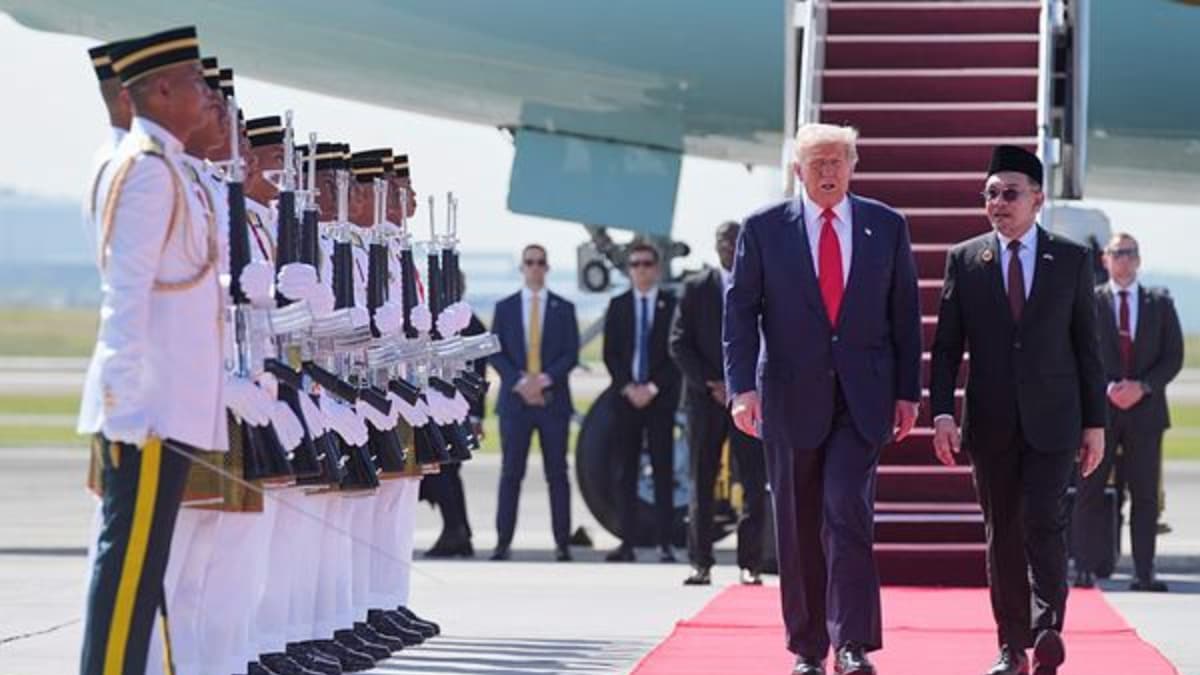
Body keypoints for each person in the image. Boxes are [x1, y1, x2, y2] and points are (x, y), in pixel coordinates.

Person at [724, 123, 921, 675]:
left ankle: (853, 642)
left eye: (837, 161)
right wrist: (741, 389)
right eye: (817, 163)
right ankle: (808, 648)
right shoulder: (764, 229)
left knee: (846, 512)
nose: (828, 172)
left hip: (862, 398)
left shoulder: (886, 225)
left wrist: (909, 392)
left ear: (853, 165)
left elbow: (904, 314)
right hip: (789, 396)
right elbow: (740, 312)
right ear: (797, 171)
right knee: (797, 520)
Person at [76, 26, 228, 675]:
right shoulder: (146, 172)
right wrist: (125, 404)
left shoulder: (174, 169)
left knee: (146, 574)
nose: (204, 94)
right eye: (194, 82)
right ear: (161, 90)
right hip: (148, 413)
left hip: (172, 409)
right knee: (127, 573)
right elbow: (125, 294)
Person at [929, 145, 1106, 675]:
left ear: (1037, 199)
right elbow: (946, 348)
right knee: (1001, 530)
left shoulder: (1071, 260)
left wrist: (1095, 424)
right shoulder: (966, 258)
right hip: (989, 422)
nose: (999, 204)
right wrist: (941, 413)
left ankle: (1047, 626)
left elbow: (1087, 349)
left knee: (1044, 521)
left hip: (1055, 419)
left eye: (1010, 194)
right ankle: (1011, 645)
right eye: (990, 194)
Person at [1073, 233, 1182, 592]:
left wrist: (1143, 387)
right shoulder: (1089, 301)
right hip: (1099, 412)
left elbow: (1173, 356)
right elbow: (1077, 351)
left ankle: (1144, 572)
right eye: (1117, 253)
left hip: (1145, 412)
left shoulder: (1159, 303)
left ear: (1138, 259)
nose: (1123, 259)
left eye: (1130, 253)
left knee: (1145, 495)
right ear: (1104, 259)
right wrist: (1106, 388)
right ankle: (1085, 569)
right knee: (1089, 489)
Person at [671, 221, 767, 585]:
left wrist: (743, 386)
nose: (728, 246)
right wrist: (710, 383)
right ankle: (700, 561)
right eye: (722, 240)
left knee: (754, 483)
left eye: (734, 240)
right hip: (705, 400)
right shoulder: (696, 288)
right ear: (714, 247)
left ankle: (750, 563)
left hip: (748, 398)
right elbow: (678, 342)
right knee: (701, 481)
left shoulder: (760, 283)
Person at [489, 244, 580, 562]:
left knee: (557, 474)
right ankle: (502, 541)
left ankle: (562, 543)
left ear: (548, 267)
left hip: (552, 402)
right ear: (522, 268)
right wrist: (520, 381)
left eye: (541, 262)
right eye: (529, 262)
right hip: (515, 404)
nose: (535, 267)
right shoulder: (505, 308)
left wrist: (542, 381)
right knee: (511, 474)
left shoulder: (563, 308)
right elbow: (495, 351)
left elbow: (571, 353)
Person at [603, 241, 682, 563]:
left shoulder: (671, 304)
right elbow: (611, 354)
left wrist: (651, 387)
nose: (641, 269)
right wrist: (628, 387)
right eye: (635, 264)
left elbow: (676, 351)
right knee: (627, 472)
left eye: (647, 263)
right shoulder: (619, 305)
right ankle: (628, 543)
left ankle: (665, 542)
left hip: (659, 399)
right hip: (626, 400)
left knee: (663, 471)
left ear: (657, 268)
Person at [423, 270, 488, 558]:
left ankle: (456, 531)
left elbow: (478, 375)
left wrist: (475, 417)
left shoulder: (468, 324)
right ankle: (459, 531)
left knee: (443, 474)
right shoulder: (443, 321)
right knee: (448, 474)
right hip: (445, 411)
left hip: (453, 411)